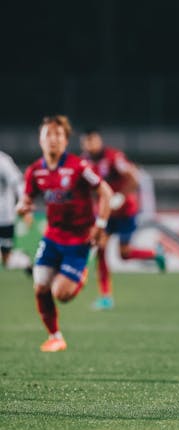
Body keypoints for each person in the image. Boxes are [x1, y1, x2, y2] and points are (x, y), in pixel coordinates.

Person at [16, 115, 113, 352]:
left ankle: (81, 273)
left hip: (79, 239)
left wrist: (100, 224)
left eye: (58, 134)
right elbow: (27, 198)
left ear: (66, 140)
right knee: (40, 287)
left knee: (61, 294)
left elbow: (106, 192)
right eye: (48, 134)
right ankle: (55, 337)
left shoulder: (79, 166)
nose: (53, 139)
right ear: (40, 139)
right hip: (52, 237)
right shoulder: (34, 171)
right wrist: (22, 207)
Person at [80, 128, 166, 310]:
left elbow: (134, 178)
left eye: (93, 140)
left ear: (99, 141)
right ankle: (106, 297)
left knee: (124, 254)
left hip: (126, 212)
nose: (90, 145)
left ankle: (155, 254)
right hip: (106, 213)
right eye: (87, 141)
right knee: (101, 248)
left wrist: (121, 196)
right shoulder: (84, 163)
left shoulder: (114, 158)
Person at [0, 150, 30, 271]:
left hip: (4, 218)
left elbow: (18, 183)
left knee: (6, 260)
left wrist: (24, 206)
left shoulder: (3, 161)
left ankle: (24, 261)